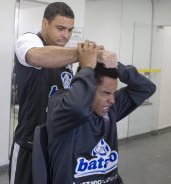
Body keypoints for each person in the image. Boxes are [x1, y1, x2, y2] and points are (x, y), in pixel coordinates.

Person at [9, 2, 116, 184]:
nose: (65, 35)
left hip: (58, 144)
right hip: (30, 144)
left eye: (69, 30)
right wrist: (87, 55)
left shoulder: (65, 58)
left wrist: (88, 63)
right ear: (45, 23)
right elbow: (37, 56)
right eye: (60, 28)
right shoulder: (28, 41)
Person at [46, 41, 156, 184]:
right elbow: (78, 108)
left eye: (113, 93)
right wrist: (87, 67)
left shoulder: (110, 110)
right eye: (105, 93)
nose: (112, 100)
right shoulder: (61, 105)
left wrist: (115, 65)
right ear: (89, 87)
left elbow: (147, 88)